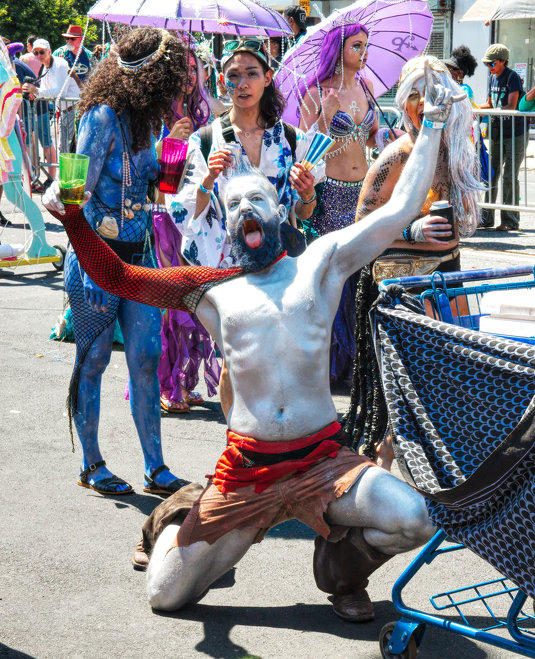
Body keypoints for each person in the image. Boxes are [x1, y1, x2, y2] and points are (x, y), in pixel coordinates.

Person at [44, 62, 462, 621]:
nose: (245, 210)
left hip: (323, 463)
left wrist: (431, 122)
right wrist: (73, 218)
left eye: (256, 200)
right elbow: (118, 278)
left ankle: (339, 568)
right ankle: (181, 517)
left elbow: (401, 207)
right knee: (165, 595)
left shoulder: (322, 263)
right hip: (245, 472)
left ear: (277, 208)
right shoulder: (210, 292)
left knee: (416, 518)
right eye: (234, 205)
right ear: (224, 219)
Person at [54, 27, 190, 498]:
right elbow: (71, 192)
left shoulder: (149, 122)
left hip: (141, 256)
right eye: (170, 77)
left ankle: (156, 468)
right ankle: (92, 464)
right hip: (96, 255)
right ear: (149, 76)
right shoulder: (101, 116)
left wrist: (174, 148)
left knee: (146, 358)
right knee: (91, 360)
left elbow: (162, 190)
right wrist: (71, 202)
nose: (175, 88)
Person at [344, 56, 480, 466]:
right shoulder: (397, 155)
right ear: (404, 102)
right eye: (415, 95)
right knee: (394, 390)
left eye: (431, 94)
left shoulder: (457, 151)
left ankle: (440, 472)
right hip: (396, 285)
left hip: (444, 281)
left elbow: (467, 220)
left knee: (445, 381)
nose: (422, 104)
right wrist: (410, 232)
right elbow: (360, 224)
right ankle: (379, 469)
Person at [170, 36, 322, 272]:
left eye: (252, 74)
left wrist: (307, 192)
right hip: (227, 273)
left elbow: (303, 214)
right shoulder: (204, 142)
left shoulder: (292, 140)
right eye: (233, 76)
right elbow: (191, 219)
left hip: (281, 268)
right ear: (221, 82)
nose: (242, 84)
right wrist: (207, 180)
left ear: (267, 78)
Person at [298, 22, 378, 383]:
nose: (363, 53)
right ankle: (330, 362)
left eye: (366, 46)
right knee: (333, 276)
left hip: (364, 193)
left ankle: (358, 359)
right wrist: (328, 119)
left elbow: (371, 140)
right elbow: (304, 154)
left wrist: (379, 132)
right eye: (356, 46)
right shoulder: (315, 93)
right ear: (338, 48)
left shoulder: (368, 87)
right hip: (330, 194)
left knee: (362, 275)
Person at [155, 45, 219, 414]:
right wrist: (173, 144)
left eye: (194, 69)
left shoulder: (202, 114)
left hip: (198, 218)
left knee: (196, 302)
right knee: (172, 303)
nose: (189, 76)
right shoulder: (157, 116)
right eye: (182, 70)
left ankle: (186, 379)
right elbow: (160, 182)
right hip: (166, 219)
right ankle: (167, 384)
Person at [478, 44, 528, 232]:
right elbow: (490, 103)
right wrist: (473, 107)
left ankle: (510, 219)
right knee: (491, 175)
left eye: (492, 63)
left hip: (515, 133)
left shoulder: (512, 77)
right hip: (496, 133)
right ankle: (486, 217)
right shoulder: (492, 78)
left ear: (503, 61)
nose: (490, 67)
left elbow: (511, 106)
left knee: (509, 176)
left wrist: (491, 110)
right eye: (487, 64)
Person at [20, 38, 80, 172]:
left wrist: (35, 91)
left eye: (42, 52)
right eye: (36, 53)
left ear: (50, 51)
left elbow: (60, 91)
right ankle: (64, 180)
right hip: (64, 111)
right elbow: (44, 92)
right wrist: (33, 93)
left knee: (69, 148)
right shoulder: (45, 68)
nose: (39, 56)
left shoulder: (60, 64)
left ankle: (69, 181)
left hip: (75, 110)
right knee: (63, 148)